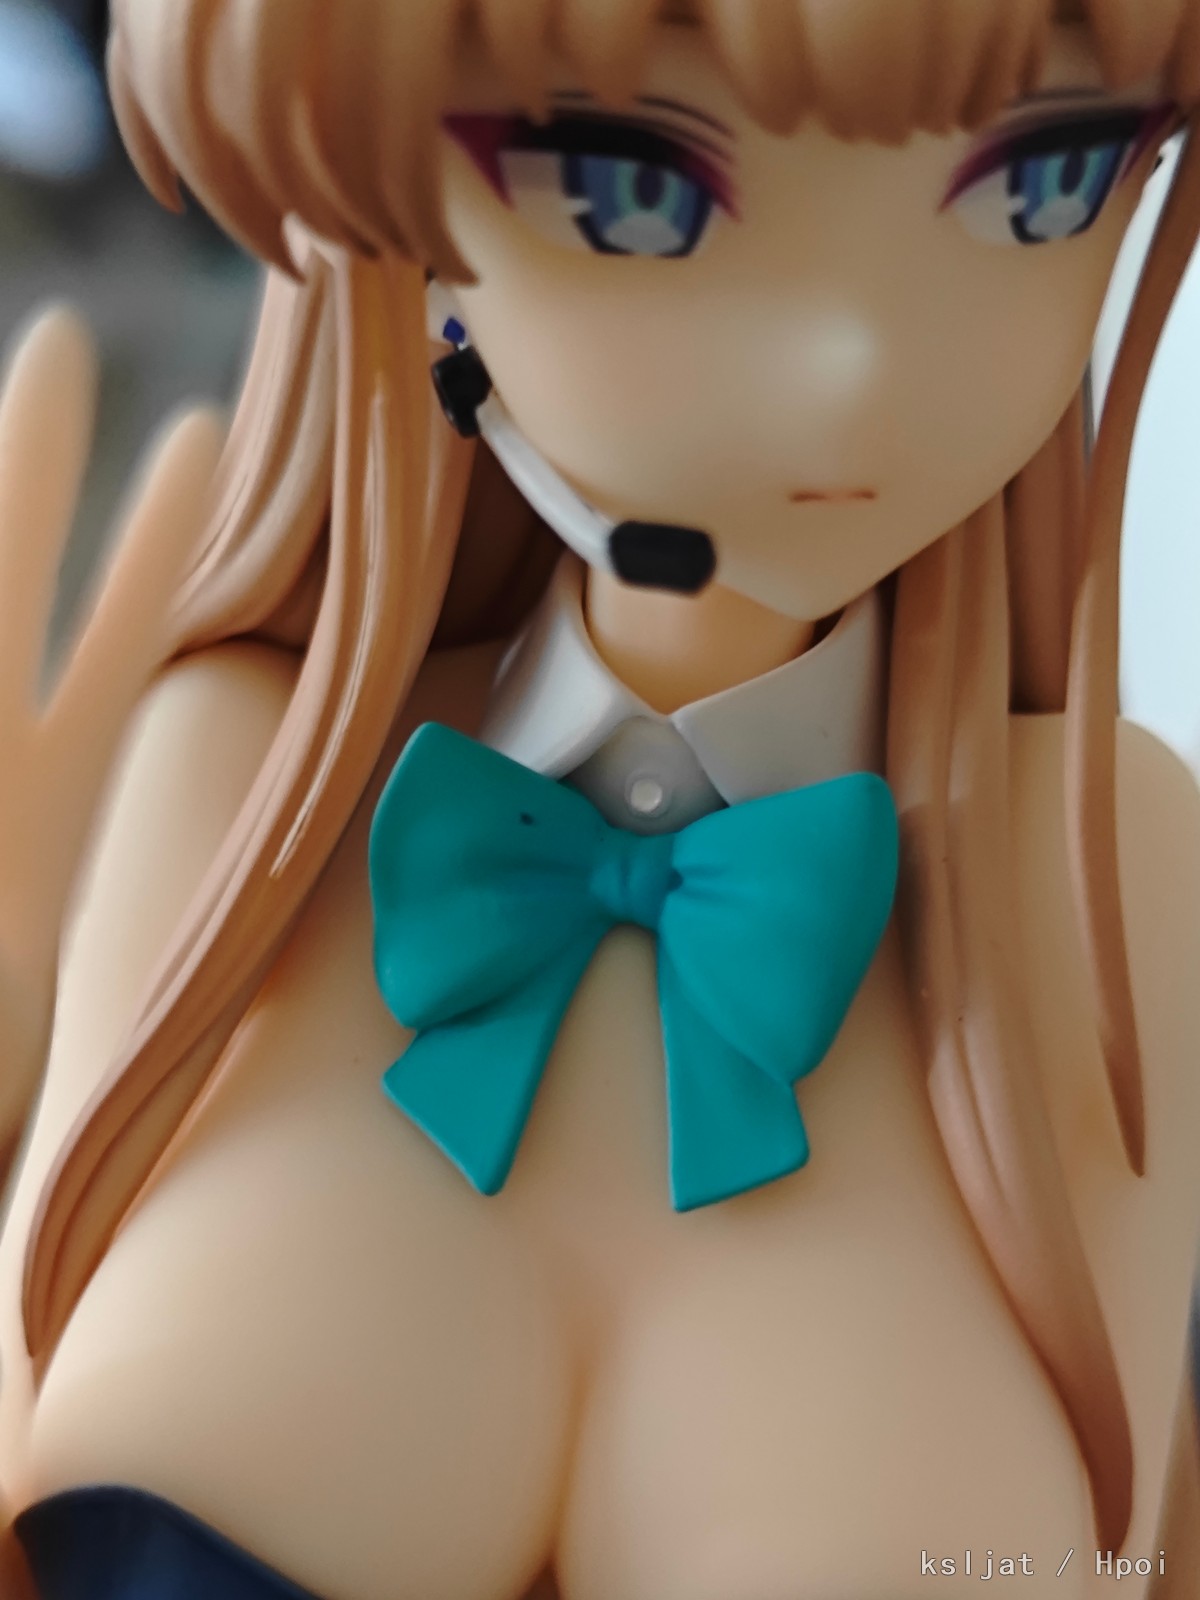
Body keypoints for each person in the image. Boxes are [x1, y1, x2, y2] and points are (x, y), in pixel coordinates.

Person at [1, 1, 1200, 1595]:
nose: (853, 357)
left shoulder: (1109, 874)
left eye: (1043, 184)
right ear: (400, 229)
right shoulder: (227, 771)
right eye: (630, 190)